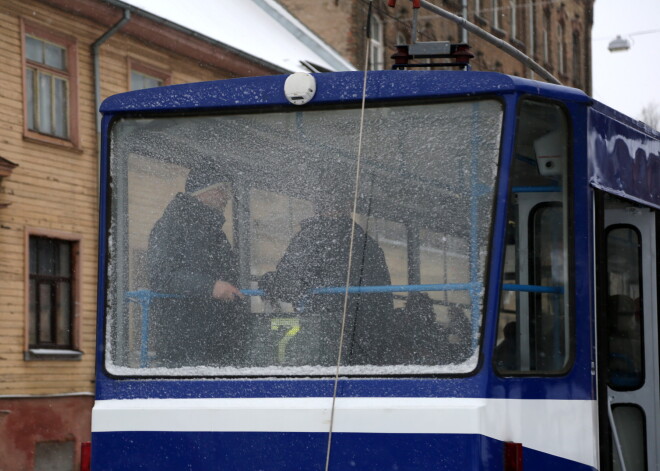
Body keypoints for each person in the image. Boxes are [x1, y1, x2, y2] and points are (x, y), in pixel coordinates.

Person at [259, 191, 394, 366]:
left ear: (316, 206)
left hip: (325, 335)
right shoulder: (368, 243)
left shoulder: (311, 238)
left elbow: (288, 286)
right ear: (349, 207)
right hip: (367, 337)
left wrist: (268, 281)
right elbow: (384, 299)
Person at [146, 167, 244, 367]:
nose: (226, 196)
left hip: (215, 339)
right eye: (222, 189)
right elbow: (160, 275)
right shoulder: (171, 224)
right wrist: (210, 287)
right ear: (204, 191)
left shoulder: (214, 232)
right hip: (185, 344)